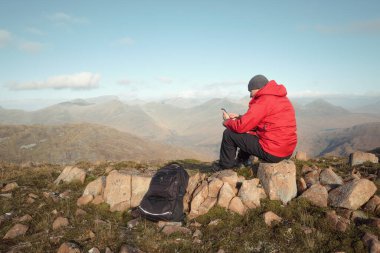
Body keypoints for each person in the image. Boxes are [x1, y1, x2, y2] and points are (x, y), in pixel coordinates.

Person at [218, 74, 297, 169]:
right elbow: (264, 120)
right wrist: (240, 117)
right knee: (249, 132)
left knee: (229, 134)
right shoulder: (280, 98)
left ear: (258, 88)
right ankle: (242, 162)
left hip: (273, 152)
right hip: (286, 151)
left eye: (251, 91)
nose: (250, 95)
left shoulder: (263, 100)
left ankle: (225, 168)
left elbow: (241, 127)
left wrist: (227, 121)